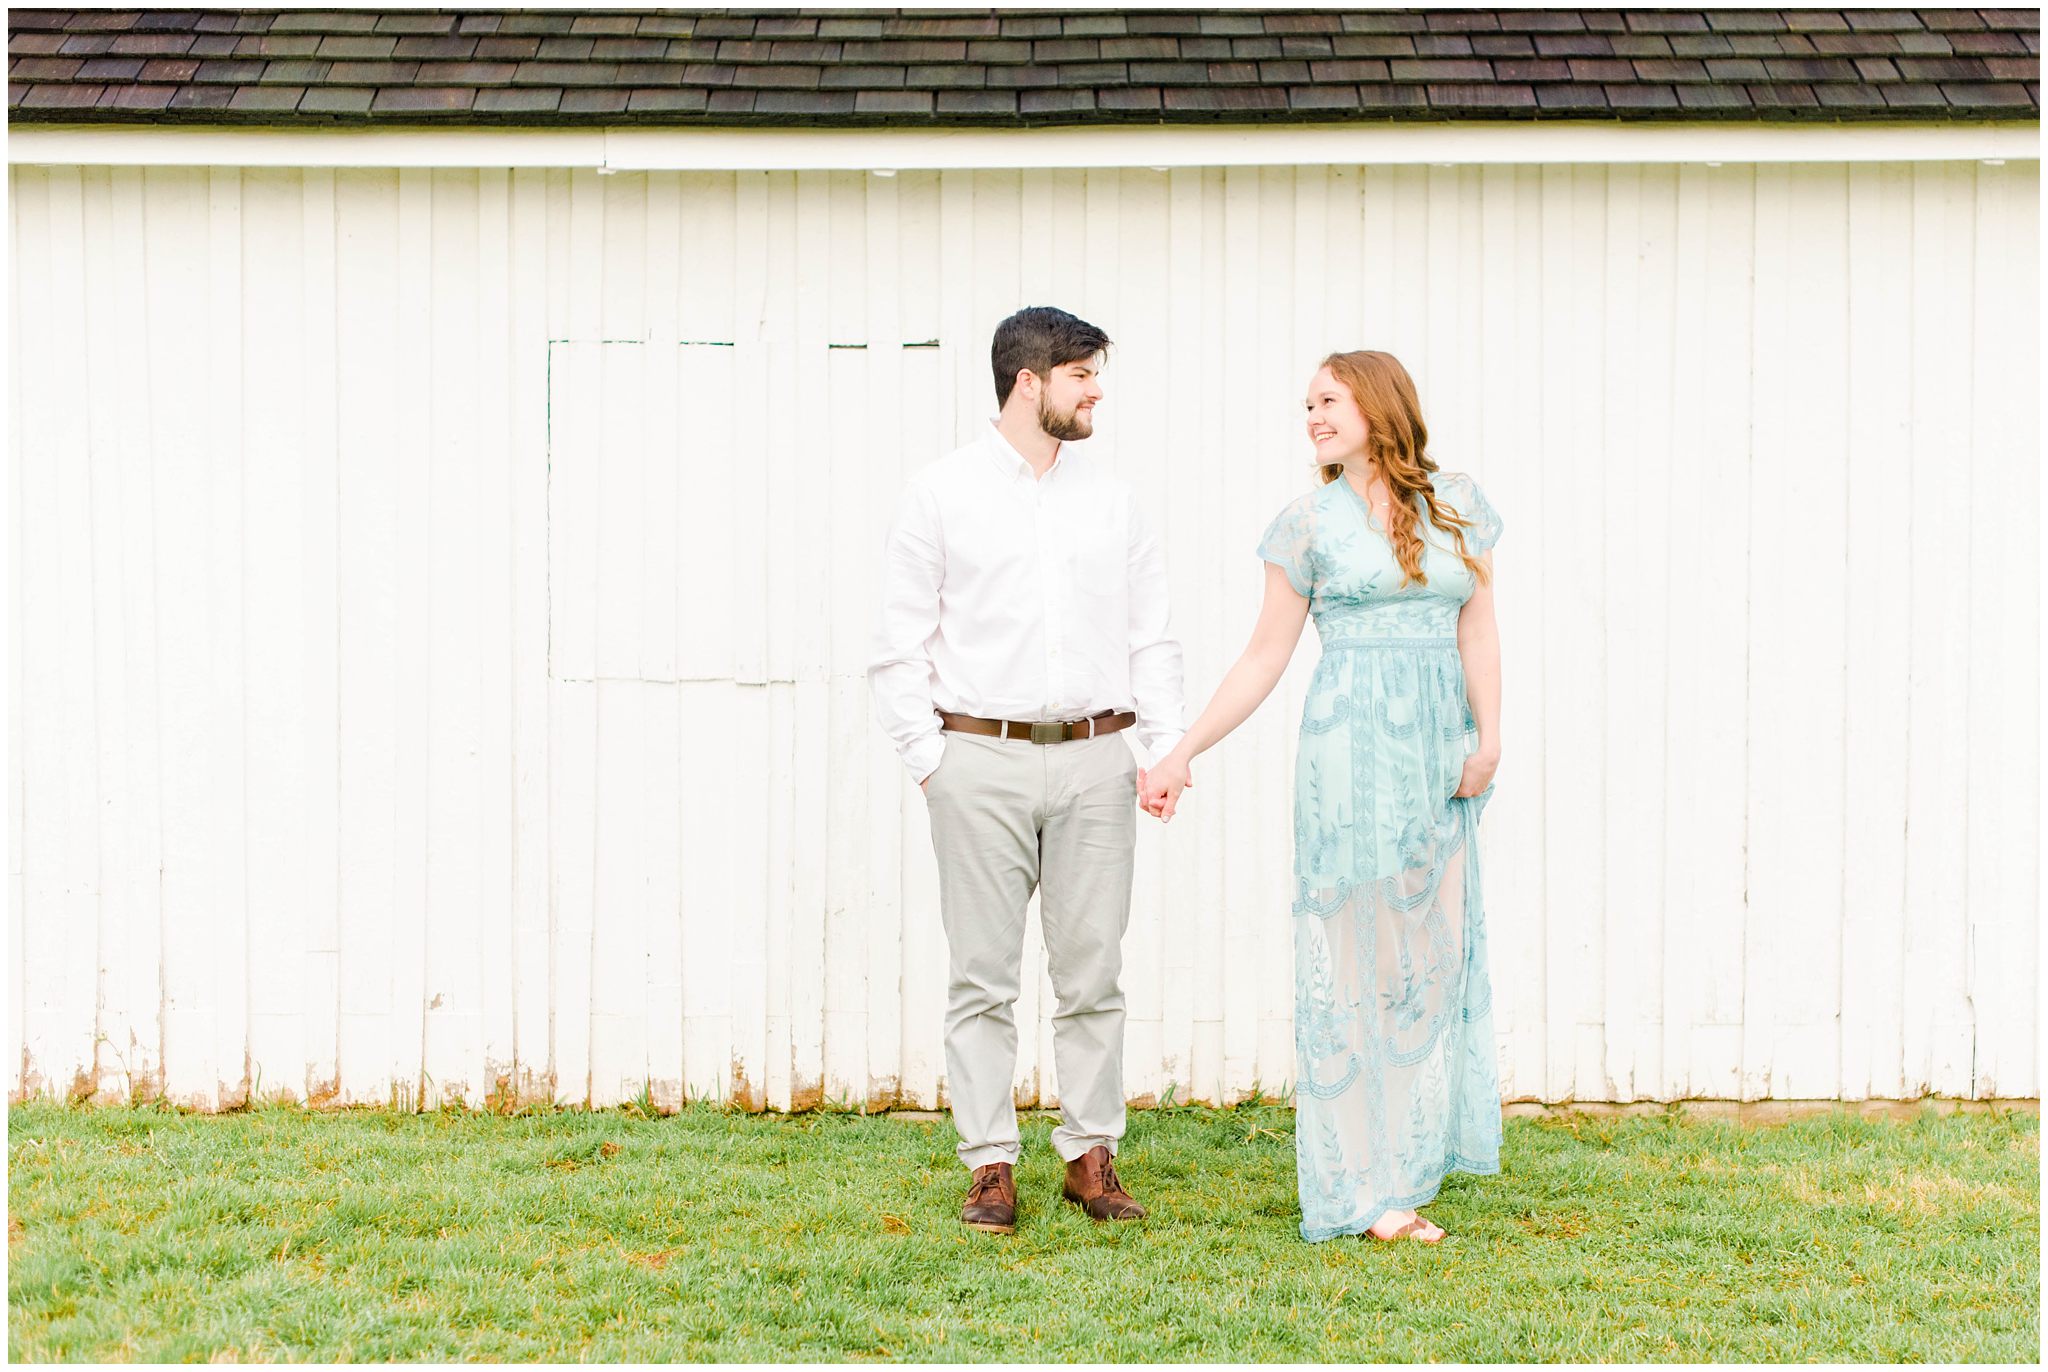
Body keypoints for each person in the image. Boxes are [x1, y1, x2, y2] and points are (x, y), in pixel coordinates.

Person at [1138, 350, 1504, 1244]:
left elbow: (1480, 628)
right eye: (1306, 405)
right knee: (1357, 970)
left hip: (1438, 755)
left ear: (1378, 408)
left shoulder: (1456, 506)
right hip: (1350, 760)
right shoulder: (1307, 525)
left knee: (1433, 959)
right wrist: (1183, 750)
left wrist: (1489, 739)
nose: (1312, 417)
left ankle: (1409, 1158)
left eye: (1328, 401)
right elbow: (1264, 656)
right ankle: (1365, 1192)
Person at [868, 306, 1186, 1235]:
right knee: (982, 975)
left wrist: (1163, 746)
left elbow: (1150, 635)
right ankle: (990, 1165)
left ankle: (1091, 1156)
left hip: (1095, 760)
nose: (1096, 393)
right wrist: (935, 764)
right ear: (1029, 381)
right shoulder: (941, 494)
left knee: (1093, 970)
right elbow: (897, 645)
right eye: (1083, 375)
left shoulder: (1115, 500)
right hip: (978, 759)